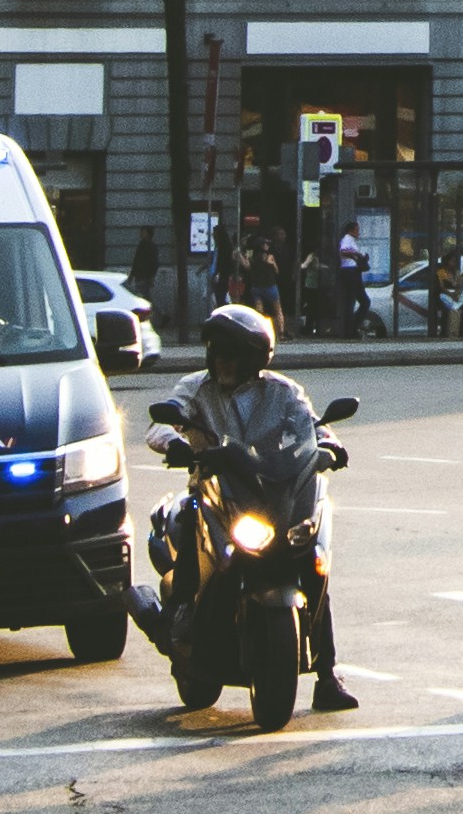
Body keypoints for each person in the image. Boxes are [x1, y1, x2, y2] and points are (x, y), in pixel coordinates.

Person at [137, 301, 350, 711]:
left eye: (232, 353)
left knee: (312, 561)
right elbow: (161, 423)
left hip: (270, 490)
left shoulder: (282, 391)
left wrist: (331, 446)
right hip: (216, 489)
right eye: (217, 352)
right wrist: (176, 443)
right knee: (195, 524)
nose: (223, 361)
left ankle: (327, 676)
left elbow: (311, 424)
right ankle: (178, 616)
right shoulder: (196, 388)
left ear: (254, 359)